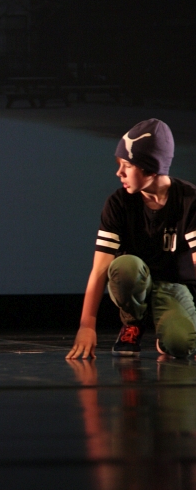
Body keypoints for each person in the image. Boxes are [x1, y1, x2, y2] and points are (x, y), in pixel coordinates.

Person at [67, 118, 196, 360]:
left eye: (127, 166)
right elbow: (99, 269)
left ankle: (167, 332)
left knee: (181, 345)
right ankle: (133, 322)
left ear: (151, 168)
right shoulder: (119, 203)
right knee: (125, 266)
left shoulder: (189, 200)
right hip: (137, 280)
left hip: (173, 285)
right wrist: (87, 326)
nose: (119, 173)